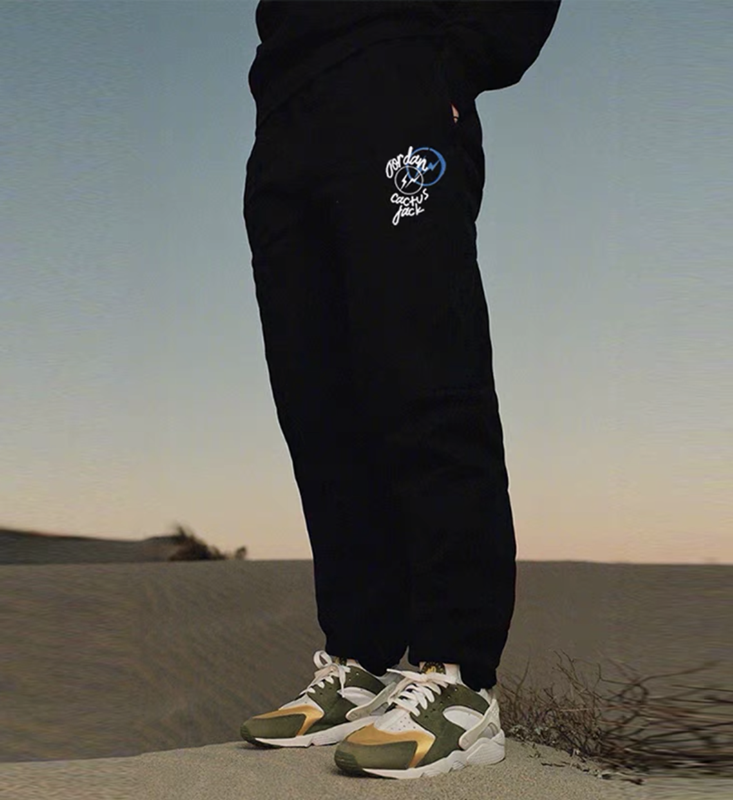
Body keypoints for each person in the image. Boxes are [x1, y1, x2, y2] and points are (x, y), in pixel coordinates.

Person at [240, 0, 561, 779]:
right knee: (317, 403)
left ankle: (459, 678)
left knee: (423, 372)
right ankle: (362, 660)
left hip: (398, 77)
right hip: (285, 107)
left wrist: (457, 64)